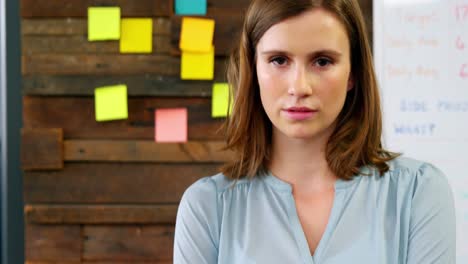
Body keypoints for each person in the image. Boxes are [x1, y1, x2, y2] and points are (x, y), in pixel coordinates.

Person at [173, 0, 456, 263]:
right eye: (279, 60)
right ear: (253, 68)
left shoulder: (418, 192)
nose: (300, 87)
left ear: (353, 73)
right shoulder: (208, 208)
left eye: (322, 61)